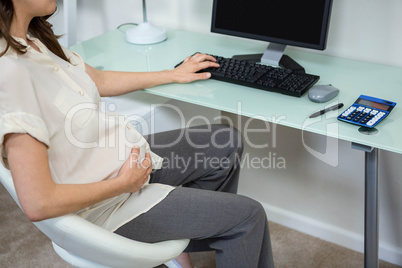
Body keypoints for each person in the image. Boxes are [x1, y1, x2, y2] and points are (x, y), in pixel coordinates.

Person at [0, 0, 274, 267]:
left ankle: (184, 236)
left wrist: (174, 74)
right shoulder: (10, 72)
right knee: (248, 217)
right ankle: (207, 234)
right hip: (106, 206)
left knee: (226, 142)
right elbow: (38, 203)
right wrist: (124, 184)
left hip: (120, 160)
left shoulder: (36, 38)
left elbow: (99, 80)